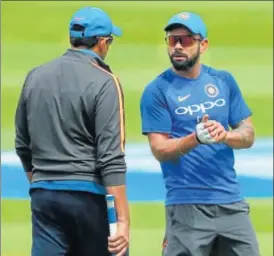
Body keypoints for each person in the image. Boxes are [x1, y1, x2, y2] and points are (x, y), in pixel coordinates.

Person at [140, 11, 260, 256]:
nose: (177, 46)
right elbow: (159, 149)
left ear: (202, 45)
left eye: (185, 40)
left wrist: (225, 135)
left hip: (231, 203)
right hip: (186, 206)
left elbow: (248, 133)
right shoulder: (156, 91)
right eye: (172, 40)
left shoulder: (223, 81)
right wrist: (194, 139)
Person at [15, 6, 130, 256]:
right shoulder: (104, 81)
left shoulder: (35, 76)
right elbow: (111, 157)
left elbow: (22, 144)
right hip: (88, 198)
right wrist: (123, 222)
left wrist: (40, 182)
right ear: (101, 42)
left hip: (44, 196)